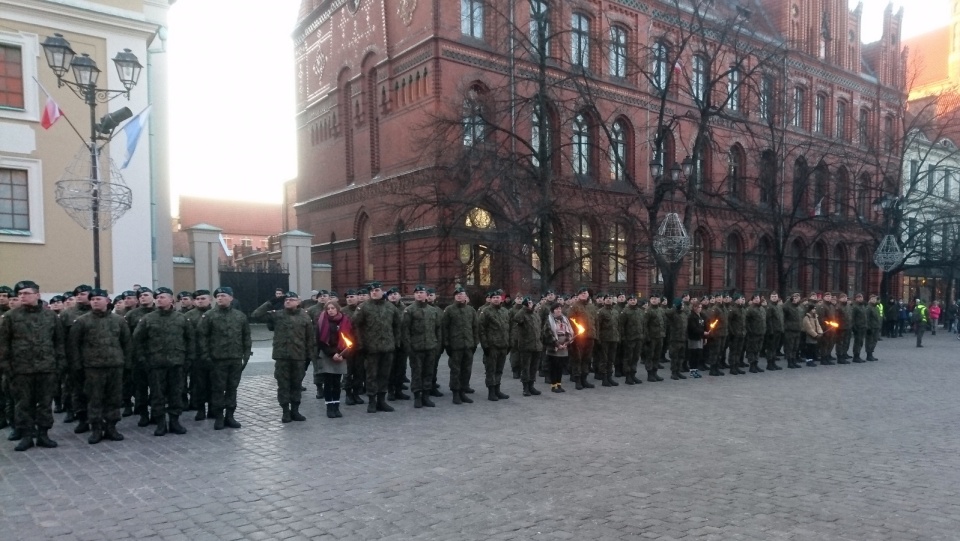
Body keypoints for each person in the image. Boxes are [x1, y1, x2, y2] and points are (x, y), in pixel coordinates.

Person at [0, 281, 65, 451]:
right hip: (21, 369)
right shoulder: (10, 317)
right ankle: (27, 436)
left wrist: (59, 365)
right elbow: (3, 345)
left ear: (37, 295)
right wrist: (7, 367)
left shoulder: (50, 316)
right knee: (23, 404)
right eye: (20, 294)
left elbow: (58, 342)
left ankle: (43, 435)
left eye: (27, 293)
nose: (23, 296)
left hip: (46, 368)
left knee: (45, 404)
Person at [69, 288, 131, 444]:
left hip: (115, 365)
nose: (95, 301)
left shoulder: (119, 320)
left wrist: (127, 364)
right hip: (92, 367)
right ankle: (96, 428)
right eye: (93, 299)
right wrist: (77, 367)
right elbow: (74, 346)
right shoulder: (82, 321)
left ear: (107, 301)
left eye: (98, 298)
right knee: (94, 399)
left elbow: (127, 344)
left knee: (114, 398)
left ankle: (111, 427)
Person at [133, 287, 194, 436]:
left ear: (171, 300)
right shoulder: (148, 319)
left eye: (162, 297)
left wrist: (189, 359)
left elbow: (190, 339)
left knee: (176, 393)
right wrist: (143, 360)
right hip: (155, 364)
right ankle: (160, 423)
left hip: (176, 364)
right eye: (157, 297)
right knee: (157, 395)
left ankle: (174, 421)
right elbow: (137, 340)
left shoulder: (181, 318)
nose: (159, 299)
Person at [253, 291, 316, 423]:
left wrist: (311, 357)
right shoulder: (278, 315)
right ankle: (285, 412)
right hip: (282, 356)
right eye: (286, 300)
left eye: (291, 299)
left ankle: (295, 410)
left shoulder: (305, 317)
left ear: (298, 302)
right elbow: (256, 315)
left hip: (298, 357)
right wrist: (271, 302)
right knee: (283, 385)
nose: (288, 301)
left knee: (296, 384)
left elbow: (310, 338)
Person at [197, 286, 252, 430]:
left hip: (235, 359)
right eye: (218, 296)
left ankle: (230, 415)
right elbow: (202, 337)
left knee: (232, 388)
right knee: (218, 389)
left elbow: (246, 337)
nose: (220, 298)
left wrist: (245, 356)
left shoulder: (240, 316)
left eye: (223, 295)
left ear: (231, 298)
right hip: (217, 359)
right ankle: (219, 417)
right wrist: (206, 356)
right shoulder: (209, 316)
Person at [352, 282, 401, 413]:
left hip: (387, 347)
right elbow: (355, 325)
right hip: (370, 348)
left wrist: (396, 342)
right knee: (371, 375)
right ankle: (372, 401)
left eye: (377, 290)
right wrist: (360, 344)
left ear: (382, 291)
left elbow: (397, 325)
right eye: (372, 290)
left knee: (384, 375)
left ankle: (382, 400)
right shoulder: (363, 307)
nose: (374, 292)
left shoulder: (390, 307)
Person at [401, 285, 441, 408]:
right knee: (417, 373)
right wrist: (408, 347)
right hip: (415, 347)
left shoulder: (432, 310)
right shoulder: (409, 310)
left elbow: (438, 328)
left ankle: (426, 396)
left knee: (428, 372)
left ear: (426, 295)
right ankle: (417, 396)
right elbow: (405, 330)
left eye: (421, 292)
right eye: (417, 292)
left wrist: (437, 344)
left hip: (430, 346)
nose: (419, 294)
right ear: (414, 295)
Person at [442, 287, 478, 404]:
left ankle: (463, 391)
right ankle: (456, 393)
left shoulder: (471, 311)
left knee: (466, 370)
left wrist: (475, 343)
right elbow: (445, 329)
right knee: (455, 370)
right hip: (455, 346)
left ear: (465, 296)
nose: (458, 296)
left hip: (468, 345)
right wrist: (447, 344)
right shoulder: (449, 310)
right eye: (456, 294)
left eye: (461, 294)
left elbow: (475, 328)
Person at [316, 302, 352, 418]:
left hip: (341, 355)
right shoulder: (322, 321)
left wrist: (343, 354)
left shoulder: (345, 320)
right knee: (328, 382)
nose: (330, 310)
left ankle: (336, 406)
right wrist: (332, 353)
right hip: (327, 355)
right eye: (328, 309)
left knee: (337, 383)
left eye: (333, 308)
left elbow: (349, 339)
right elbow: (320, 341)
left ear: (337, 309)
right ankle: (329, 407)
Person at [478, 289, 511, 401]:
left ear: (501, 299)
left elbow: (508, 328)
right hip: (492, 346)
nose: (496, 299)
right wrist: (485, 345)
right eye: (494, 298)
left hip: (503, 345)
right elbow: (481, 329)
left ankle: (497, 389)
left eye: (498, 297)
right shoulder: (486, 311)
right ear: (491, 299)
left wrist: (509, 343)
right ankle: (491, 391)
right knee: (491, 369)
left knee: (499, 369)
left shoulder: (505, 311)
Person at [512, 296, 543, 396]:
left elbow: (539, 329)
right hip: (526, 346)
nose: (530, 304)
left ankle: (531, 386)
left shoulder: (535, 315)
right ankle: (525, 388)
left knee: (534, 368)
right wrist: (524, 308)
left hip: (536, 345)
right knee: (526, 367)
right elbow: (516, 319)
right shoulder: (522, 314)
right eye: (528, 303)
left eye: (531, 303)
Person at [541, 302, 571, 392]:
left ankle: (559, 384)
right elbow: (548, 333)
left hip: (563, 347)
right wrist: (557, 344)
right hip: (554, 347)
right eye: (557, 309)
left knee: (560, 367)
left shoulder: (564, 319)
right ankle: (553, 385)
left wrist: (566, 342)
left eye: (560, 309)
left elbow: (568, 331)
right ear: (552, 311)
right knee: (554, 366)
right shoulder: (549, 320)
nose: (559, 310)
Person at [686, 300, 708, 378]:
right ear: (694, 308)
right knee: (693, 355)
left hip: (700, 338)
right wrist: (703, 333)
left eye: (700, 307)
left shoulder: (701, 316)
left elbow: (704, 326)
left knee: (698, 355)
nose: (700, 309)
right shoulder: (692, 317)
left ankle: (695, 370)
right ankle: (692, 371)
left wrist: (705, 337)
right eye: (698, 307)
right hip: (693, 338)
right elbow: (693, 328)